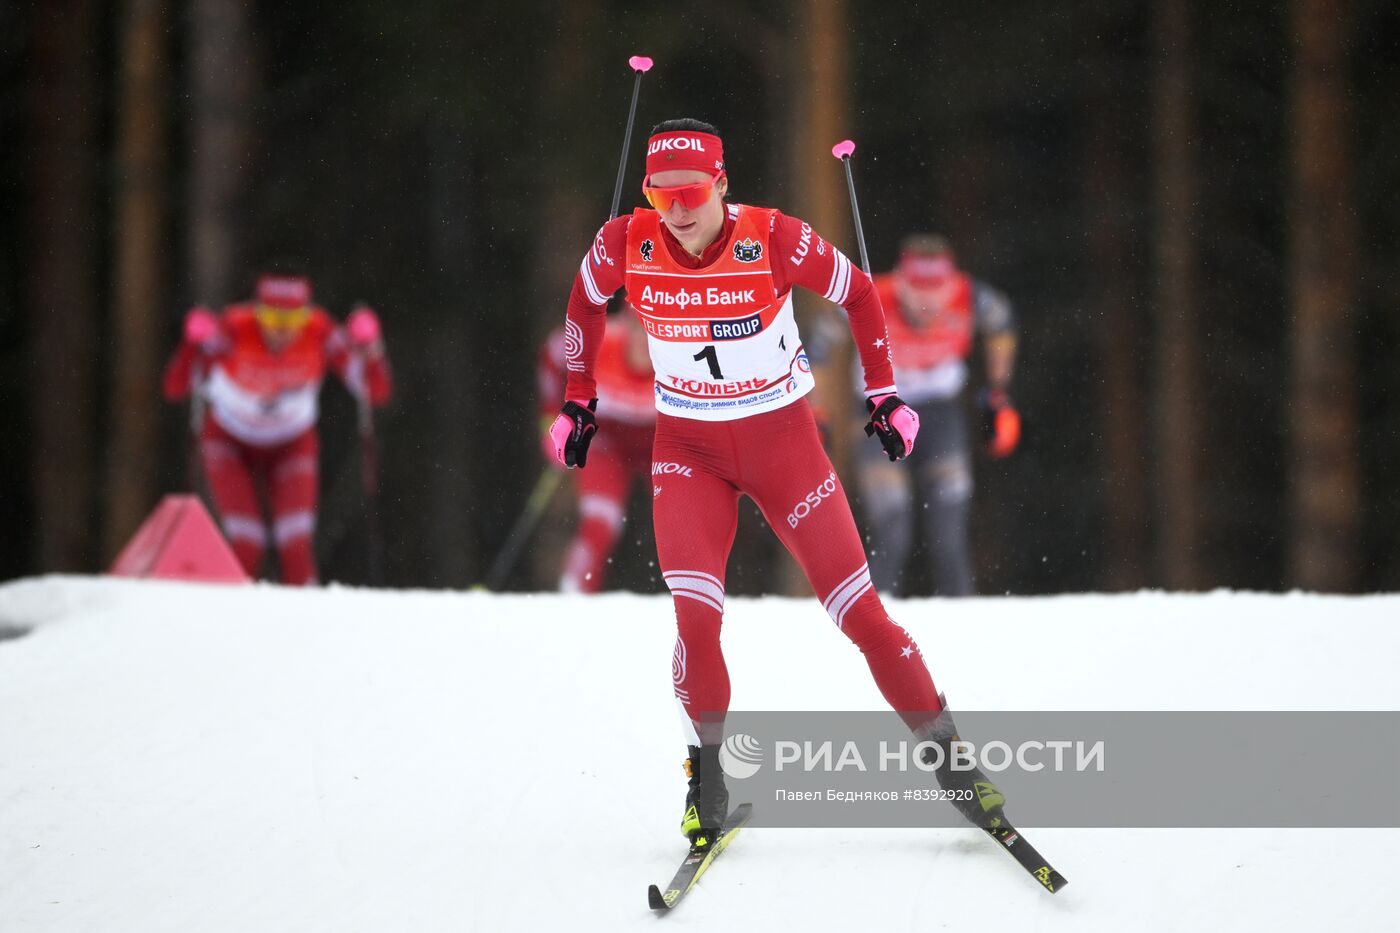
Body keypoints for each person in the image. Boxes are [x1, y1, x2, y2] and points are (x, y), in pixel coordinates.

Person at [544, 119, 1006, 851]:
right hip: (688, 448)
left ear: (722, 184)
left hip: (784, 444)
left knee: (861, 616)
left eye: (692, 191)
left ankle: (954, 765)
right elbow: (582, 301)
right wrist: (579, 397)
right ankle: (710, 782)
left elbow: (858, 294)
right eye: (661, 195)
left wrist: (883, 394)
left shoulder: (775, 237)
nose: (678, 209)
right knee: (695, 620)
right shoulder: (624, 241)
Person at [162, 272, 392, 585]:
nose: (282, 331)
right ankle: (229, 618)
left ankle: (303, 621)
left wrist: (371, 348)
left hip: (291, 442)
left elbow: (375, 390)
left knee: (295, 542)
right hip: (230, 440)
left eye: (293, 320)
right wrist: (192, 344)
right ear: (256, 312)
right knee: (248, 541)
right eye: (271, 319)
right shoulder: (233, 328)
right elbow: (176, 387)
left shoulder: (321, 331)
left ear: (307, 315)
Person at [856, 235, 1020, 597]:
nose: (927, 298)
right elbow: (817, 342)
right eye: (917, 287)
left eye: (937, 287)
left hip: (940, 410)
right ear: (899, 280)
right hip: (881, 411)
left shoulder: (973, 296)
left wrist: (998, 394)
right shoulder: (872, 295)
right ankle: (876, 610)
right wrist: (813, 409)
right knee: (891, 516)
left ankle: (960, 607)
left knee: (949, 516)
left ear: (952, 282)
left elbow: (1003, 324)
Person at [537, 298, 655, 592]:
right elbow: (552, 355)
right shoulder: (600, 342)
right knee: (601, 520)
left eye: (655, 333)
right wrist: (553, 419)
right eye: (639, 331)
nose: (645, 344)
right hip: (605, 443)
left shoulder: (683, 359)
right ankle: (574, 593)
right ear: (625, 326)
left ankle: (701, 599)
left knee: (682, 523)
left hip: (660, 445)